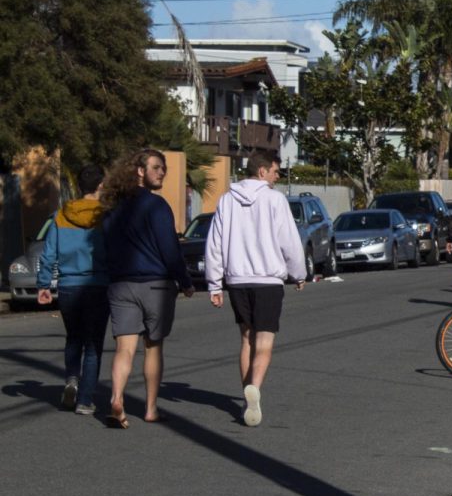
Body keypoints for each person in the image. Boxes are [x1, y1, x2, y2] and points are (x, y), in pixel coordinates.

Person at [205, 150, 307, 427]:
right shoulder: (275, 200)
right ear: (262, 171)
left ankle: (248, 396)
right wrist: (299, 273)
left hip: (237, 280)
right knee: (264, 341)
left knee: (246, 340)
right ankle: (256, 389)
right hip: (268, 281)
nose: (277, 177)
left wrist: (214, 284)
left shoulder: (226, 201)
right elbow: (290, 241)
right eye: (275, 171)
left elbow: (214, 244)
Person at [102, 148, 194, 429]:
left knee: (123, 349)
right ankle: (150, 408)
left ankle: (117, 397)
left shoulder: (113, 207)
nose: (162, 172)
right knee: (153, 347)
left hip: (120, 284)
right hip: (155, 285)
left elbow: (104, 244)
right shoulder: (157, 206)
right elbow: (169, 248)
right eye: (156, 167)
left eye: (163, 168)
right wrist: (185, 280)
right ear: (140, 171)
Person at [36, 164, 110, 415]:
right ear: (101, 185)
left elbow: (48, 254)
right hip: (98, 284)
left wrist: (44, 284)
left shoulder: (61, 215)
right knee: (93, 345)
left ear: (79, 186)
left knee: (74, 338)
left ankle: (71, 380)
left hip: (68, 286)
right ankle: (85, 400)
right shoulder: (107, 215)